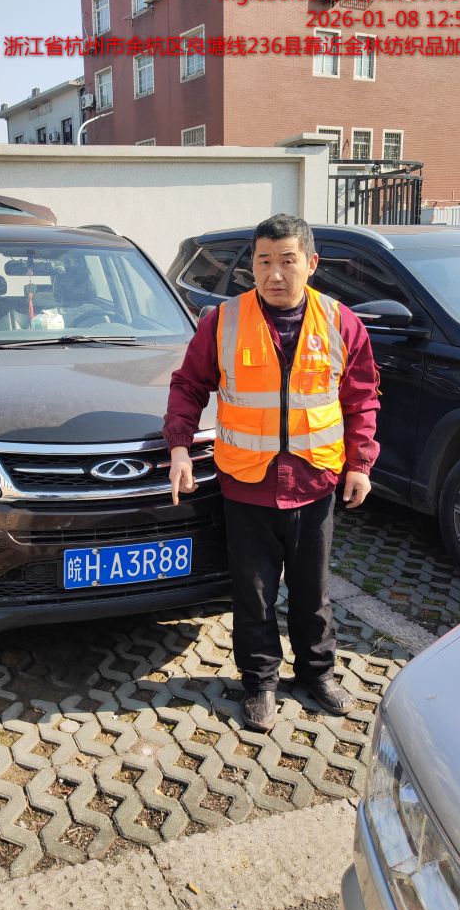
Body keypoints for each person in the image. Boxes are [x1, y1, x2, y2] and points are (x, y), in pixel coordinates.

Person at [163, 214, 380, 732]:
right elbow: (189, 385)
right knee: (253, 594)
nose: (275, 274)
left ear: (311, 263)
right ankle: (259, 682)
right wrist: (178, 448)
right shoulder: (223, 321)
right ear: (253, 265)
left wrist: (360, 463)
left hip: (314, 482)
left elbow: (361, 398)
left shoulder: (341, 322)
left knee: (313, 591)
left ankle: (316, 673)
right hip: (247, 484)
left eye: (287, 260)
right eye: (264, 261)